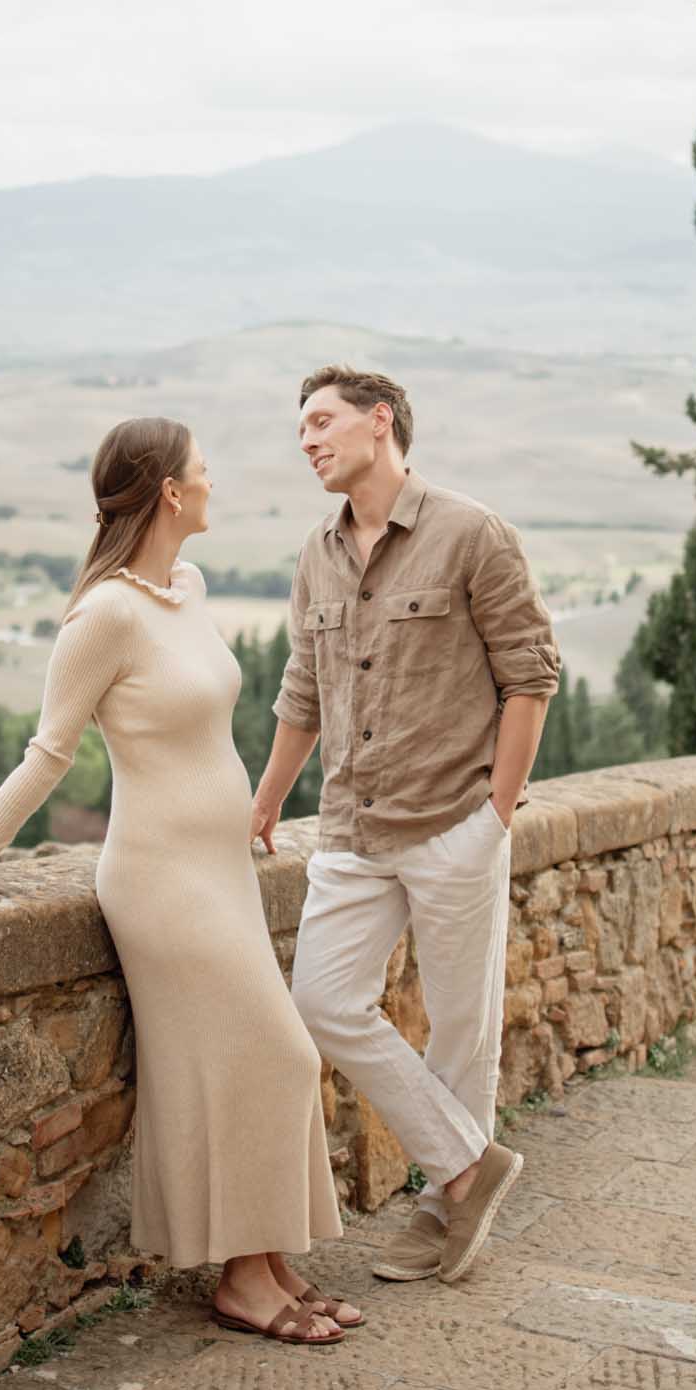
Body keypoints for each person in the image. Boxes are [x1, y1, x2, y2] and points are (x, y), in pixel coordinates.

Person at [0, 418, 353, 1346]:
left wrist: (252, 808)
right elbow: (47, 753)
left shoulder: (187, 586)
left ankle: (267, 1265)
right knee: (272, 1053)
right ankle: (238, 1283)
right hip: (160, 880)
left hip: (220, 867)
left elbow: (206, 730)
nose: (214, 480)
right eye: (203, 470)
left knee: (260, 1060)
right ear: (170, 492)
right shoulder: (104, 615)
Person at [250, 365, 560, 1284]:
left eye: (321, 421)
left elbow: (529, 676)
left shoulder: (472, 534)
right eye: (299, 427)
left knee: (463, 1030)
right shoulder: (318, 555)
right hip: (349, 826)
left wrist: (494, 813)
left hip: (452, 820)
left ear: (379, 421)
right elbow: (303, 693)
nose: (306, 440)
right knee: (322, 1000)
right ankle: (470, 1167)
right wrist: (269, 797)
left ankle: (441, 1217)